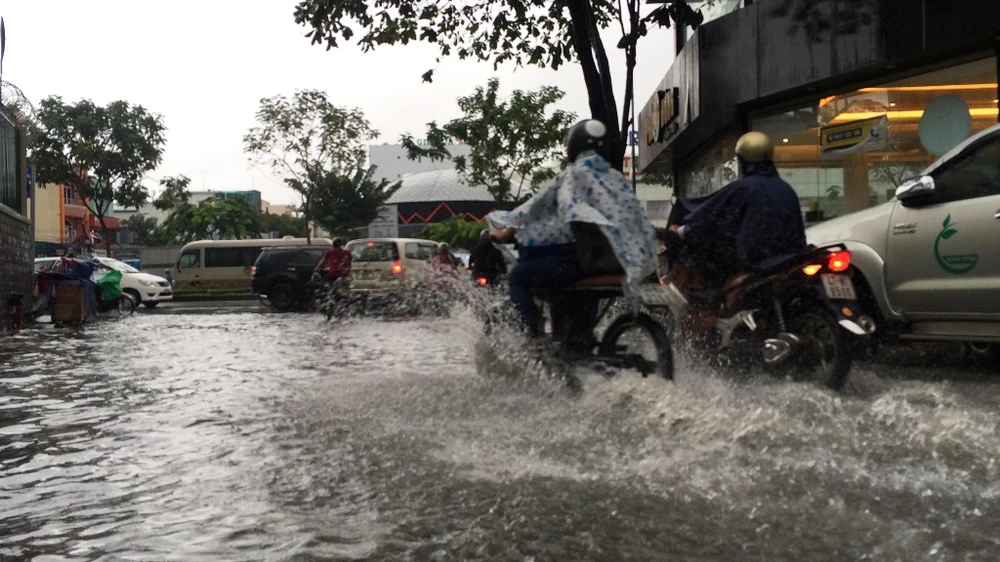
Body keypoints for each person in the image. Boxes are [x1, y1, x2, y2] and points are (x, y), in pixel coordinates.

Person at [488, 119, 659, 347]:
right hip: (621, 261)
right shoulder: (617, 180)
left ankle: (533, 335)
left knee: (519, 276)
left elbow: (532, 209)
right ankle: (581, 338)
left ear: (574, 146)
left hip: (582, 263)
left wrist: (504, 231)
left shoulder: (572, 177)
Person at [668, 131, 806, 293]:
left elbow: (711, 217)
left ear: (742, 160)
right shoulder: (786, 189)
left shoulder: (744, 188)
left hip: (756, 263)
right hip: (791, 260)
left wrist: (683, 231)